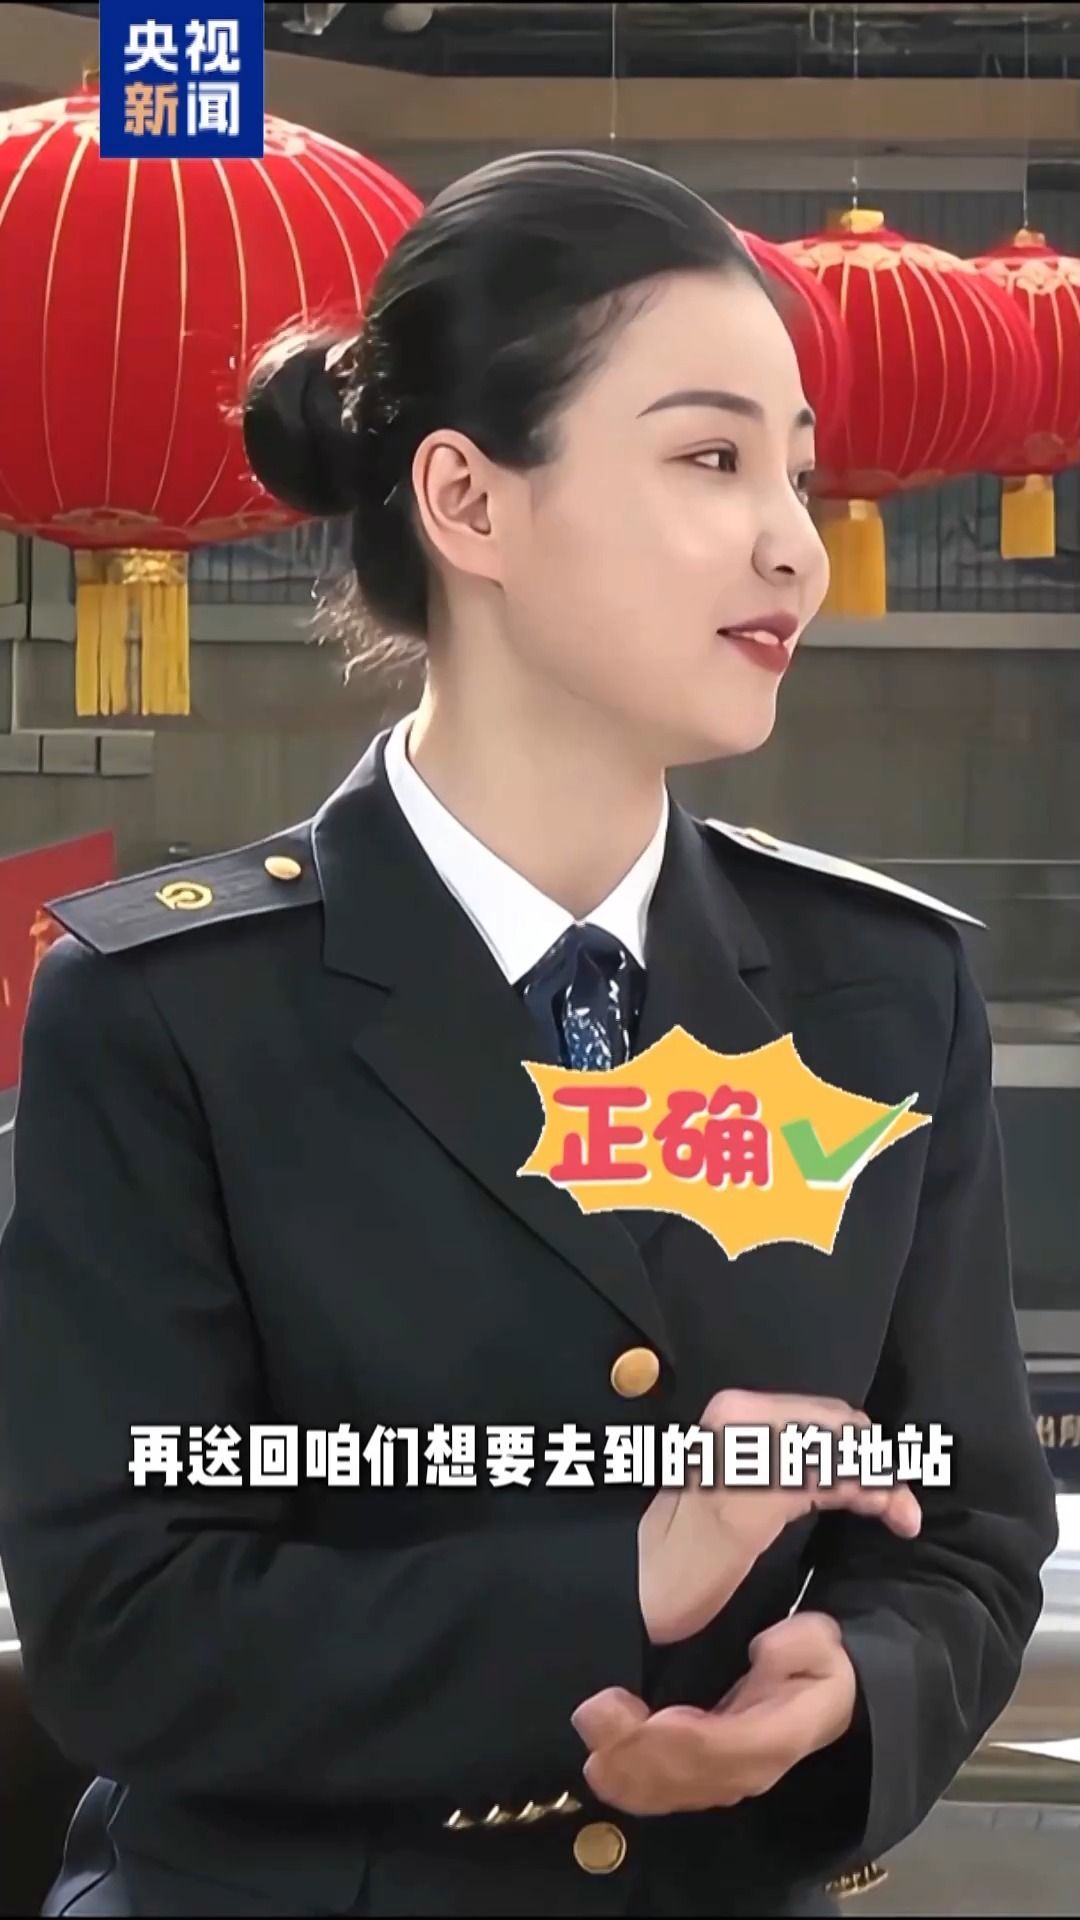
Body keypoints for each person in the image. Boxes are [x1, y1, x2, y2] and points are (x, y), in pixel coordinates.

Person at [0, 150, 1057, 1920]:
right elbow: (124, 1624)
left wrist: (853, 1689)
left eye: (797, 472)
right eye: (712, 459)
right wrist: (627, 1583)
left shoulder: (884, 990)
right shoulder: (169, 1007)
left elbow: (966, 1531)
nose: (793, 543)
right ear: (468, 501)